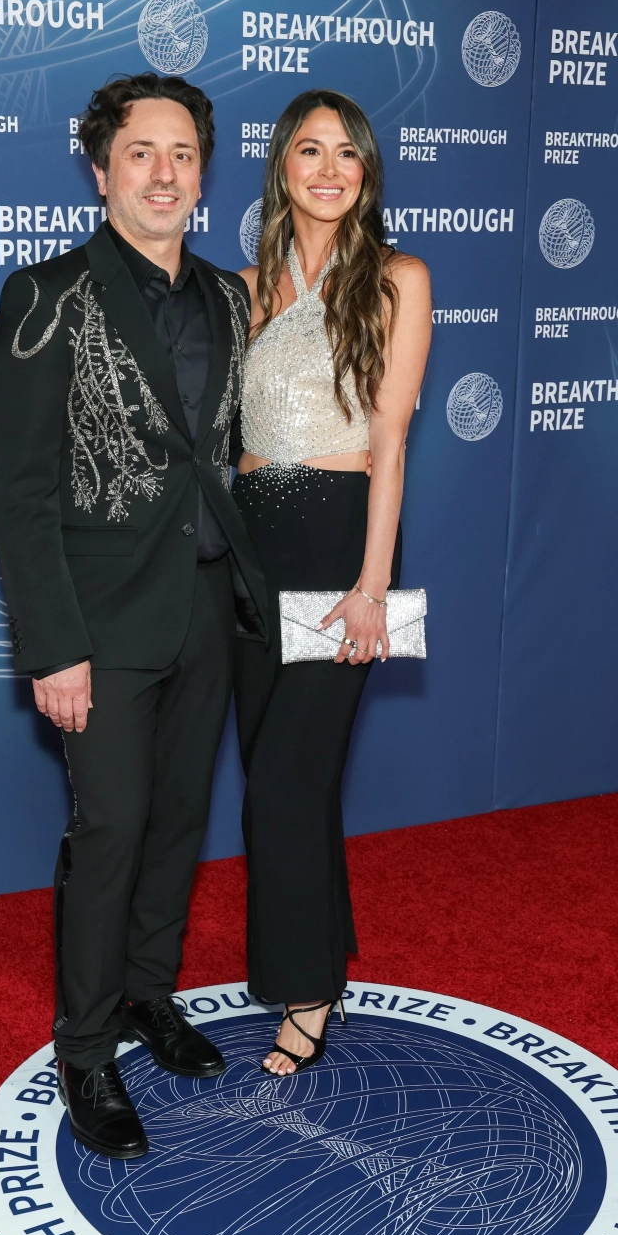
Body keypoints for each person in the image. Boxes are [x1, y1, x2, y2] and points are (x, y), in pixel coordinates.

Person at [0, 73, 267, 1158]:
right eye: (141, 153)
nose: (164, 173)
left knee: (180, 819)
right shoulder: (46, 294)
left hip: (207, 604)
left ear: (203, 173)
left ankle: (151, 992)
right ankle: (87, 1046)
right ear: (101, 171)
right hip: (99, 622)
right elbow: (21, 494)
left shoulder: (231, 299)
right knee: (110, 829)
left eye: (183, 154)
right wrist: (53, 646)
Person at [232, 89, 431, 1076]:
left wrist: (372, 583)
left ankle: (305, 991)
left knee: (281, 783)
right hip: (246, 546)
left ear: (366, 173)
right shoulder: (243, 286)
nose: (328, 169)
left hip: (339, 544)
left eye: (346, 153)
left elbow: (390, 440)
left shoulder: (398, 277)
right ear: (283, 164)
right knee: (291, 782)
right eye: (309, 150)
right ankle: (324, 953)